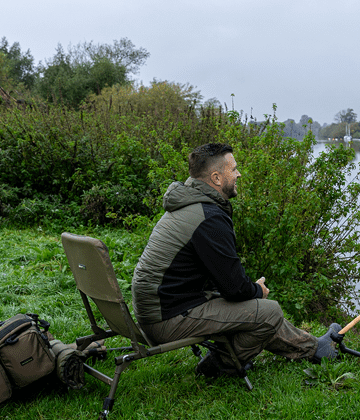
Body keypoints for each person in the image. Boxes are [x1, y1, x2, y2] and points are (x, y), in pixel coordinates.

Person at [131, 142, 339, 375]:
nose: (239, 174)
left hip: (161, 308)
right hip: (167, 319)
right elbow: (235, 289)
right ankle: (221, 364)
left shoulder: (188, 204)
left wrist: (249, 293)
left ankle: (313, 348)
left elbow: (225, 281)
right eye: (234, 169)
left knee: (256, 309)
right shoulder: (208, 217)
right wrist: (258, 291)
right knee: (269, 311)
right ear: (217, 178)